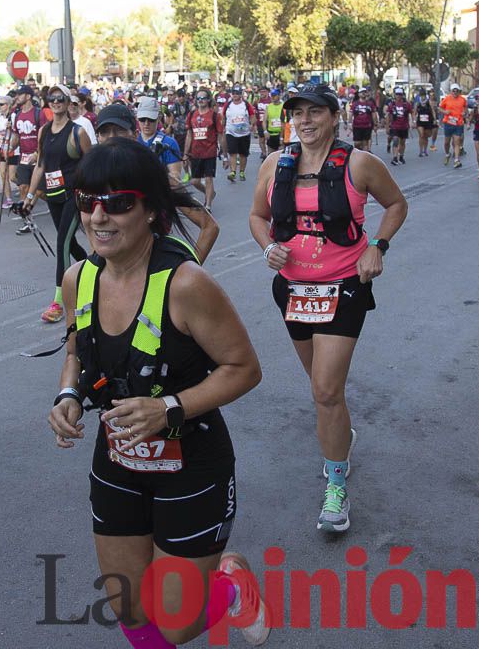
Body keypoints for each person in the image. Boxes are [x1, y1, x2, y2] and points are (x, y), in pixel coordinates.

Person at [48, 138, 271, 648]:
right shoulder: (76, 280)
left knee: (177, 620)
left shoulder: (187, 284)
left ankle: (231, 585)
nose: (99, 216)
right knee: (127, 603)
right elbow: (77, 354)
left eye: (119, 202)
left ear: (149, 209)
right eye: (87, 202)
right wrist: (67, 397)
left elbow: (244, 368)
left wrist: (169, 407)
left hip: (192, 463)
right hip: (118, 459)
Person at [248, 84, 407, 533]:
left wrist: (377, 245)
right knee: (324, 392)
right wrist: (267, 249)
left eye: (315, 112)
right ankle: (341, 435)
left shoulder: (360, 163)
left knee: (324, 391)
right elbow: (258, 217)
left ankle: (336, 489)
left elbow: (396, 204)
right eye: (298, 113)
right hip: (294, 290)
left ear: (334, 117)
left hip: (343, 287)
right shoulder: (274, 164)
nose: (305, 121)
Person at [98, 100, 221, 263]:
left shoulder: (155, 176)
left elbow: (210, 226)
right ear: (98, 137)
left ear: (135, 134)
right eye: (105, 132)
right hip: (113, 278)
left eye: (119, 131)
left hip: (151, 270)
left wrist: (189, 269)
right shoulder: (95, 178)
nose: (111, 138)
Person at [21, 88, 94, 322]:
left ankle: (58, 303)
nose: (55, 102)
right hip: (53, 195)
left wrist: (91, 195)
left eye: (60, 98)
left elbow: (93, 164)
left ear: (68, 102)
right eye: (51, 99)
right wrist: (29, 198)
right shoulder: (43, 131)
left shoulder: (77, 132)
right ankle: (92, 273)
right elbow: (40, 165)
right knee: (70, 244)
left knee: (61, 242)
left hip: (74, 195)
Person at [9, 86, 45, 234]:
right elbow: (17, 136)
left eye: (20, 94)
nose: (17, 97)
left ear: (28, 96)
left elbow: (45, 135)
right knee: (23, 187)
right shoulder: (17, 116)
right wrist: (10, 145)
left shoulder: (38, 114)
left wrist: (38, 153)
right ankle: (27, 221)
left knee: (41, 191)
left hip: (38, 156)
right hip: (23, 157)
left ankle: (62, 207)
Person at [184, 88, 225, 210]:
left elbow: (221, 135)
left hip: (210, 152)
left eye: (203, 98)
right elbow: (189, 135)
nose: (201, 100)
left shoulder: (214, 116)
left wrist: (225, 155)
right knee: (195, 182)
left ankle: (208, 205)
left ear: (208, 100)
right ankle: (209, 193)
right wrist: (186, 154)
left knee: (208, 179)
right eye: (198, 98)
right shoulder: (191, 114)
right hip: (196, 153)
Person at [222, 84, 258, 182]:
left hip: (244, 133)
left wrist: (252, 125)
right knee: (232, 152)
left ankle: (241, 171)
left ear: (241, 94)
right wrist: (223, 126)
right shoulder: (228, 105)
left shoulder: (246, 104)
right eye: (233, 93)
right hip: (231, 132)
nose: (235, 95)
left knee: (243, 154)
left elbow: (252, 116)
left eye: (237, 93)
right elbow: (223, 117)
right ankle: (233, 172)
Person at [439, 84, 467, 168]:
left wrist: (464, 113)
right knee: (446, 142)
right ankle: (447, 154)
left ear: (459, 91)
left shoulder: (462, 99)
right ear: (451, 91)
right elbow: (440, 108)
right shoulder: (447, 99)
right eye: (453, 91)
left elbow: (465, 108)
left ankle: (456, 160)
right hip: (448, 123)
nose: (455, 92)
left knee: (456, 141)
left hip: (458, 123)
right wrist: (445, 112)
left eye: (456, 91)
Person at [384, 86, 412, 165]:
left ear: (402, 95)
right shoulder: (391, 105)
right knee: (395, 141)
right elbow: (388, 116)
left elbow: (411, 112)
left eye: (400, 94)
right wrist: (387, 127)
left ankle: (401, 156)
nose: (398, 96)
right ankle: (395, 158)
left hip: (404, 126)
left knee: (402, 142)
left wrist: (412, 121)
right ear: (395, 95)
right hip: (395, 126)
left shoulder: (407, 104)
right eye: (397, 94)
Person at [415, 90, 437, 157]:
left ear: (425, 96)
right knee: (421, 135)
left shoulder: (429, 102)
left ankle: (425, 150)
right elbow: (414, 112)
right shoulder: (418, 103)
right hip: (420, 122)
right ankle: (421, 151)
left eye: (423, 95)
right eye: (421, 96)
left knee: (426, 136)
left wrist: (434, 119)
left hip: (428, 121)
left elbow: (433, 111)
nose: (422, 97)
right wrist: (413, 120)